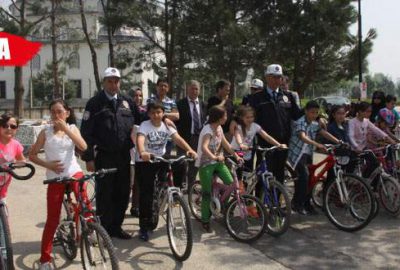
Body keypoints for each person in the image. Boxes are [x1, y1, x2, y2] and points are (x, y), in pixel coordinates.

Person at [29, 100, 89, 269]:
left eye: (59, 112)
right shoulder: (45, 132)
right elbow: (32, 155)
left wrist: (66, 130)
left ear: (67, 113)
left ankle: (87, 231)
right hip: (55, 177)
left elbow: (83, 146)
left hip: (73, 172)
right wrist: (49, 166)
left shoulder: (72, 129)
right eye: (53, 112)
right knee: (52, 219)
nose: (56, 115)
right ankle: (45, 259)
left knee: (84, 203)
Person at [80, 67, 140, 239]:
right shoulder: (94, 103)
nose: (113, 85)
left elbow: (142, 119)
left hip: (123, 155)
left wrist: (163, 120)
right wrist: (89, 158)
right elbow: (86, 133)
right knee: (106, 193)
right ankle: (104, 230)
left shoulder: (127, 101)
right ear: (104, 82)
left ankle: (116, 227)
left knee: (122, 192)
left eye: (116, 81)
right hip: (104, 156)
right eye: (110, 81)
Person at [135, 102, 197, 241]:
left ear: (163, 113)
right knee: (147, 194)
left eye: (159, 112)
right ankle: (144, 227)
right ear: (149, 114)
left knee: (180, 161)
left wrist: (190, 149)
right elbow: (140, 139)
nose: (156, 115)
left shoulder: (167, 125)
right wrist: (142, 151)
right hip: (146, 160)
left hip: (161, 157)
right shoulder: (145, 125)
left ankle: (176, 191)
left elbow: (178, 139)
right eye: (153, 112)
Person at [248, 64, 302, 190]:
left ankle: (276, 206)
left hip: (283, 143)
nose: (277, 80)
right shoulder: (256, 98)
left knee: (279, 176)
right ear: (267, 77)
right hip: (264, 144)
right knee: (263, 175)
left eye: (279, 77)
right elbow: (249, 119)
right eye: (274, 77)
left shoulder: (287, 97)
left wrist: (316, 115)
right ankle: (260, 206)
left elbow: (297, 115)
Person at [288, 101, 340, 215]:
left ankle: (307, 203)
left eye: (316, 113)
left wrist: (338, 141)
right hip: (297, 155)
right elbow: (303, 137)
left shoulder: (314, 124)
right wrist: (317, 145)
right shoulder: (300, 122)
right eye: (312, 112)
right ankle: (297, 204)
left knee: (312, 178)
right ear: (306, 111)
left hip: (308, 154)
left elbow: (323, 132)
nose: (314, 115)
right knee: (304, 178)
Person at [195, 106, 242, 232]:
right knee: (206, 193)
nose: (227, 118)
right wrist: (214, 157)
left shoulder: (219, 128)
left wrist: (236, 156)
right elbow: (204, 147)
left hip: (217, 162)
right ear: (219, 118)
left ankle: (219, 204)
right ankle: (205, 220)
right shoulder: (208, 130)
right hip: (206, 163)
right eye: (225, 116)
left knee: (231, 183)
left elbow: (225, 143)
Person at [231, 105, 286, 178]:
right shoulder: (239, 126)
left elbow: (266, 137)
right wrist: (241, 144)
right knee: (239, 177)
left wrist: (278, 145)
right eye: (247, 117)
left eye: (252, 117)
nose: (250, 119)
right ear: (241, 118)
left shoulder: (255, 126)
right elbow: (238, 136)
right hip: (237, 153)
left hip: (248, 154)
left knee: (247, 176)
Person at [348, 102, 396, 179]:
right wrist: (356, 147)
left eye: (370, 111)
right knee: (351, 170)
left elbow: (377, 130)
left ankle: (365, 181)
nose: (369, 113)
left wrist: (390, 140)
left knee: (375, 164)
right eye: (367, 111)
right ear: (360, 111)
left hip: (364, 149)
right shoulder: (352, 122)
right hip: (354, 150)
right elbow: (350, 135)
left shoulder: (366, 121)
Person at [175, 80, 206, 188]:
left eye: (196, 89)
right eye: (192, 88)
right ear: (187, 89)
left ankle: (190, 189)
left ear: (200, 90)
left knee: (194, 166)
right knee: (181, 164)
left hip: (198, 139)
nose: (194, 91)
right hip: (184, 139)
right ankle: (179, 189)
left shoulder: (203, 104)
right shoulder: (180, 103)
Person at [0, 113, 25, 199]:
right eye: (4, 125)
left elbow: (22, 160)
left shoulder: (16, 145)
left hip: (3, 187)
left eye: (13, 126)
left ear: (17, 129)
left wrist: (16, 164)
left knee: (3, 210)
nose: (9, 128)